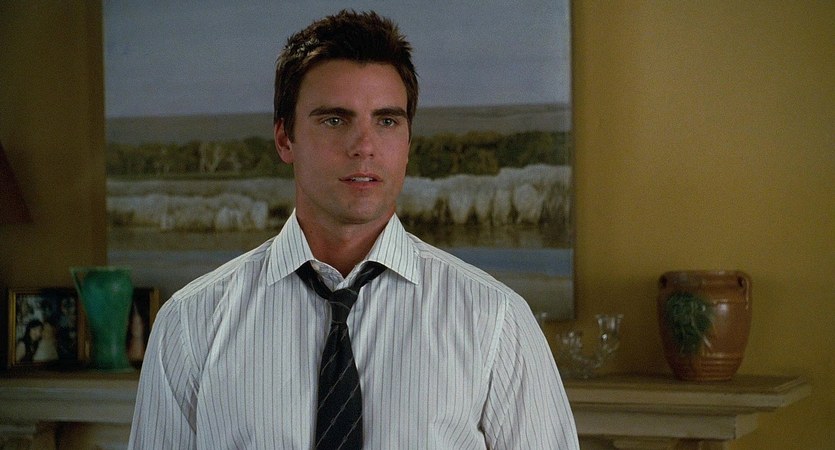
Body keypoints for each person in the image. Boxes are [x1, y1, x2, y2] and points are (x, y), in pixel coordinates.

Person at [129, 10, 579, 449]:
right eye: (335, 120)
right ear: (285, 139)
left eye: (387, 121)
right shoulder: (191, 324)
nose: (364, 146)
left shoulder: (495, 321)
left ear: (407, 142)